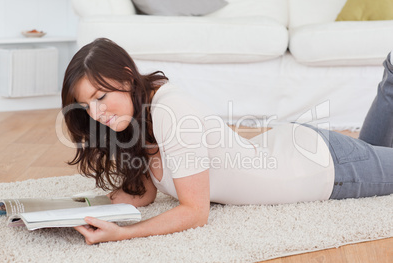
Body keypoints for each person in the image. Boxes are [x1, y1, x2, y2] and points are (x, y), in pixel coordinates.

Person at [61, 38, 393, 245]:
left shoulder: (170, 111)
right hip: (296, 146)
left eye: (101, 96)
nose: (96, 113)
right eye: (86, 105)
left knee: (374, 157)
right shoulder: (137, 117)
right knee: (377, 152)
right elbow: (144, 192)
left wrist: (124, 234)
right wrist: (70, 213)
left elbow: (195, 212)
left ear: (126, 75)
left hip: (326, 168)